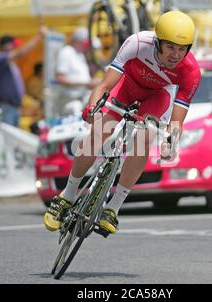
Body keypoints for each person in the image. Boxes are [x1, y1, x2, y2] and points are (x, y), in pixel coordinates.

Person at [44, 11, 201, 235]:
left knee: (145, 138)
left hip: (157, 97)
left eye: (182, 48)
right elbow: (103, 87)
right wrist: (92, 109)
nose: (176, 55)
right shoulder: (137, 43)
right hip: (127, 86)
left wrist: (170, 142)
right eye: (170, 47)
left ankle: (113, 208)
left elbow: (176, 122)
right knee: (98, 131)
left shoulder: (191, 71)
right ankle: (67, 196)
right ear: (157, 42)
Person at [0, 26, 48, 127]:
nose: (15, 47)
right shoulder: (0, 58)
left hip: (13, 108)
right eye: (13, 45)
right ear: (6, 46)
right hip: (6, 107)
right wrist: (39, 37)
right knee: (7, 139)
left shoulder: (11, 63)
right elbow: (20, 53)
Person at [55, 27, 100, 114]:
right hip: (69, 100)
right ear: (77, 41)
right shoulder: (67, 52)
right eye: (85, 43)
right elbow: (60, 78)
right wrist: (86, 83)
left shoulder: (79, 54)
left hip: (80, 99)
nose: (86, 46)